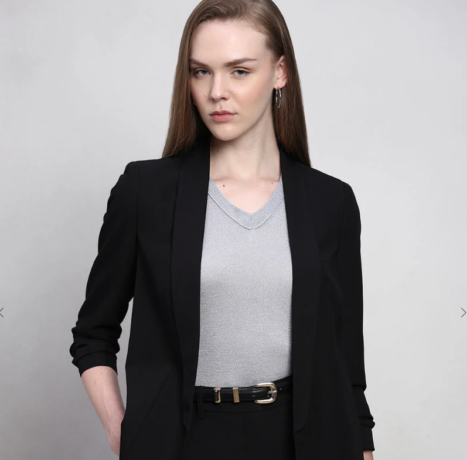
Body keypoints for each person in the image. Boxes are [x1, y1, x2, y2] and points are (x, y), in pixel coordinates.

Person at [69, 1, 376, 459]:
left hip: (308, 442)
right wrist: (124, 431)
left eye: (239, 71)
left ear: (280, 72)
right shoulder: (145, 192)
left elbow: (347, 361)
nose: (217, 92)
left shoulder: (331, 202)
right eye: (201, 72)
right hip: (184, 442)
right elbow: (93, 334)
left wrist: (363, 448)